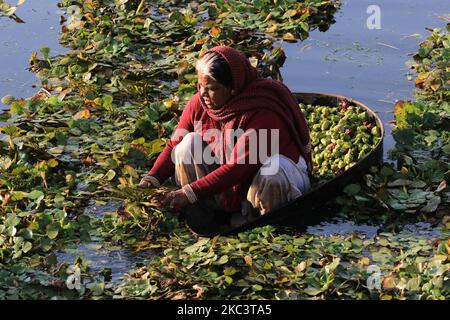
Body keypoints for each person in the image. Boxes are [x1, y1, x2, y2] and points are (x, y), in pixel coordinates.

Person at [139, 46, 312, 228]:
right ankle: (205, 218)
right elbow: (174, 144)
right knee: (186, 146)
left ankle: (260, 224)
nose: (203, 94)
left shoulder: (262, 111)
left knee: (273, 171)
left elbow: (238, 168)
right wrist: (151, 180)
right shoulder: (199, 103)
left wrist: (189, 193)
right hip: (230, 175)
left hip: (268, 178)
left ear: (233, 89)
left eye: (212, 88)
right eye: (200, 86)